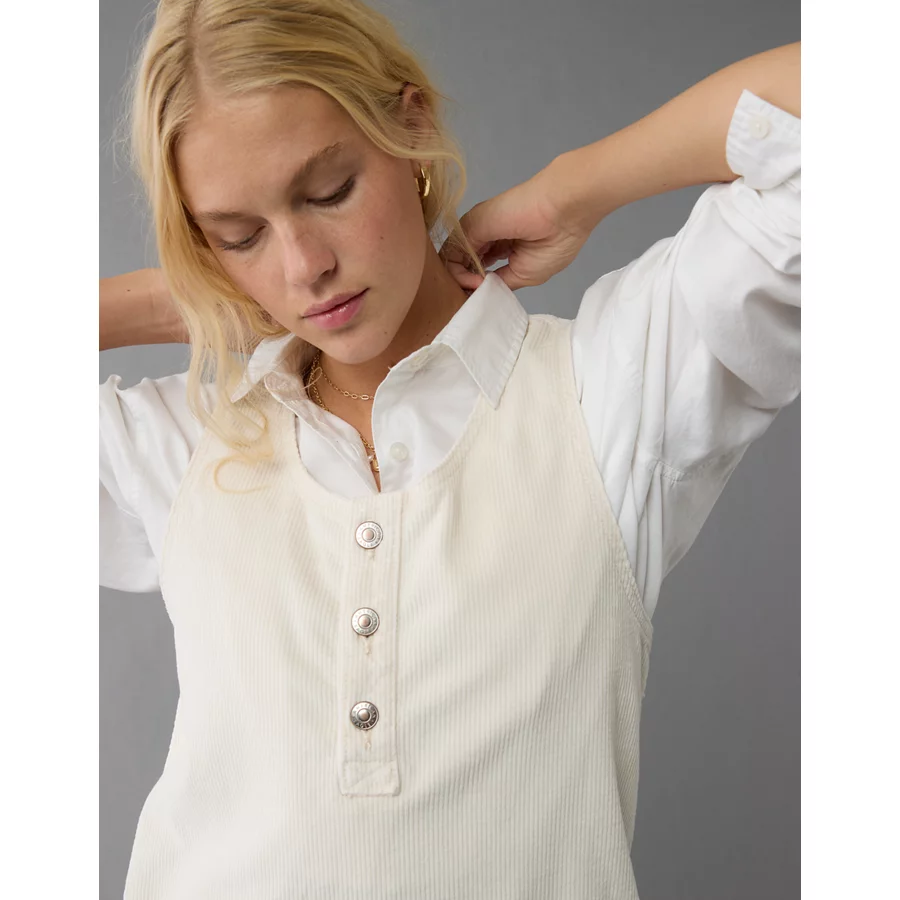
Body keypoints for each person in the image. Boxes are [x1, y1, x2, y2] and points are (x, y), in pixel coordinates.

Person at [99, 1, 800, 896]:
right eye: (241, 235)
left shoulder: (612, 391)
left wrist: (575, 187)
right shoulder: (182, 446)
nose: (303, 265)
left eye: (330, 192)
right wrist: (171, 299)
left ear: (411, 126)